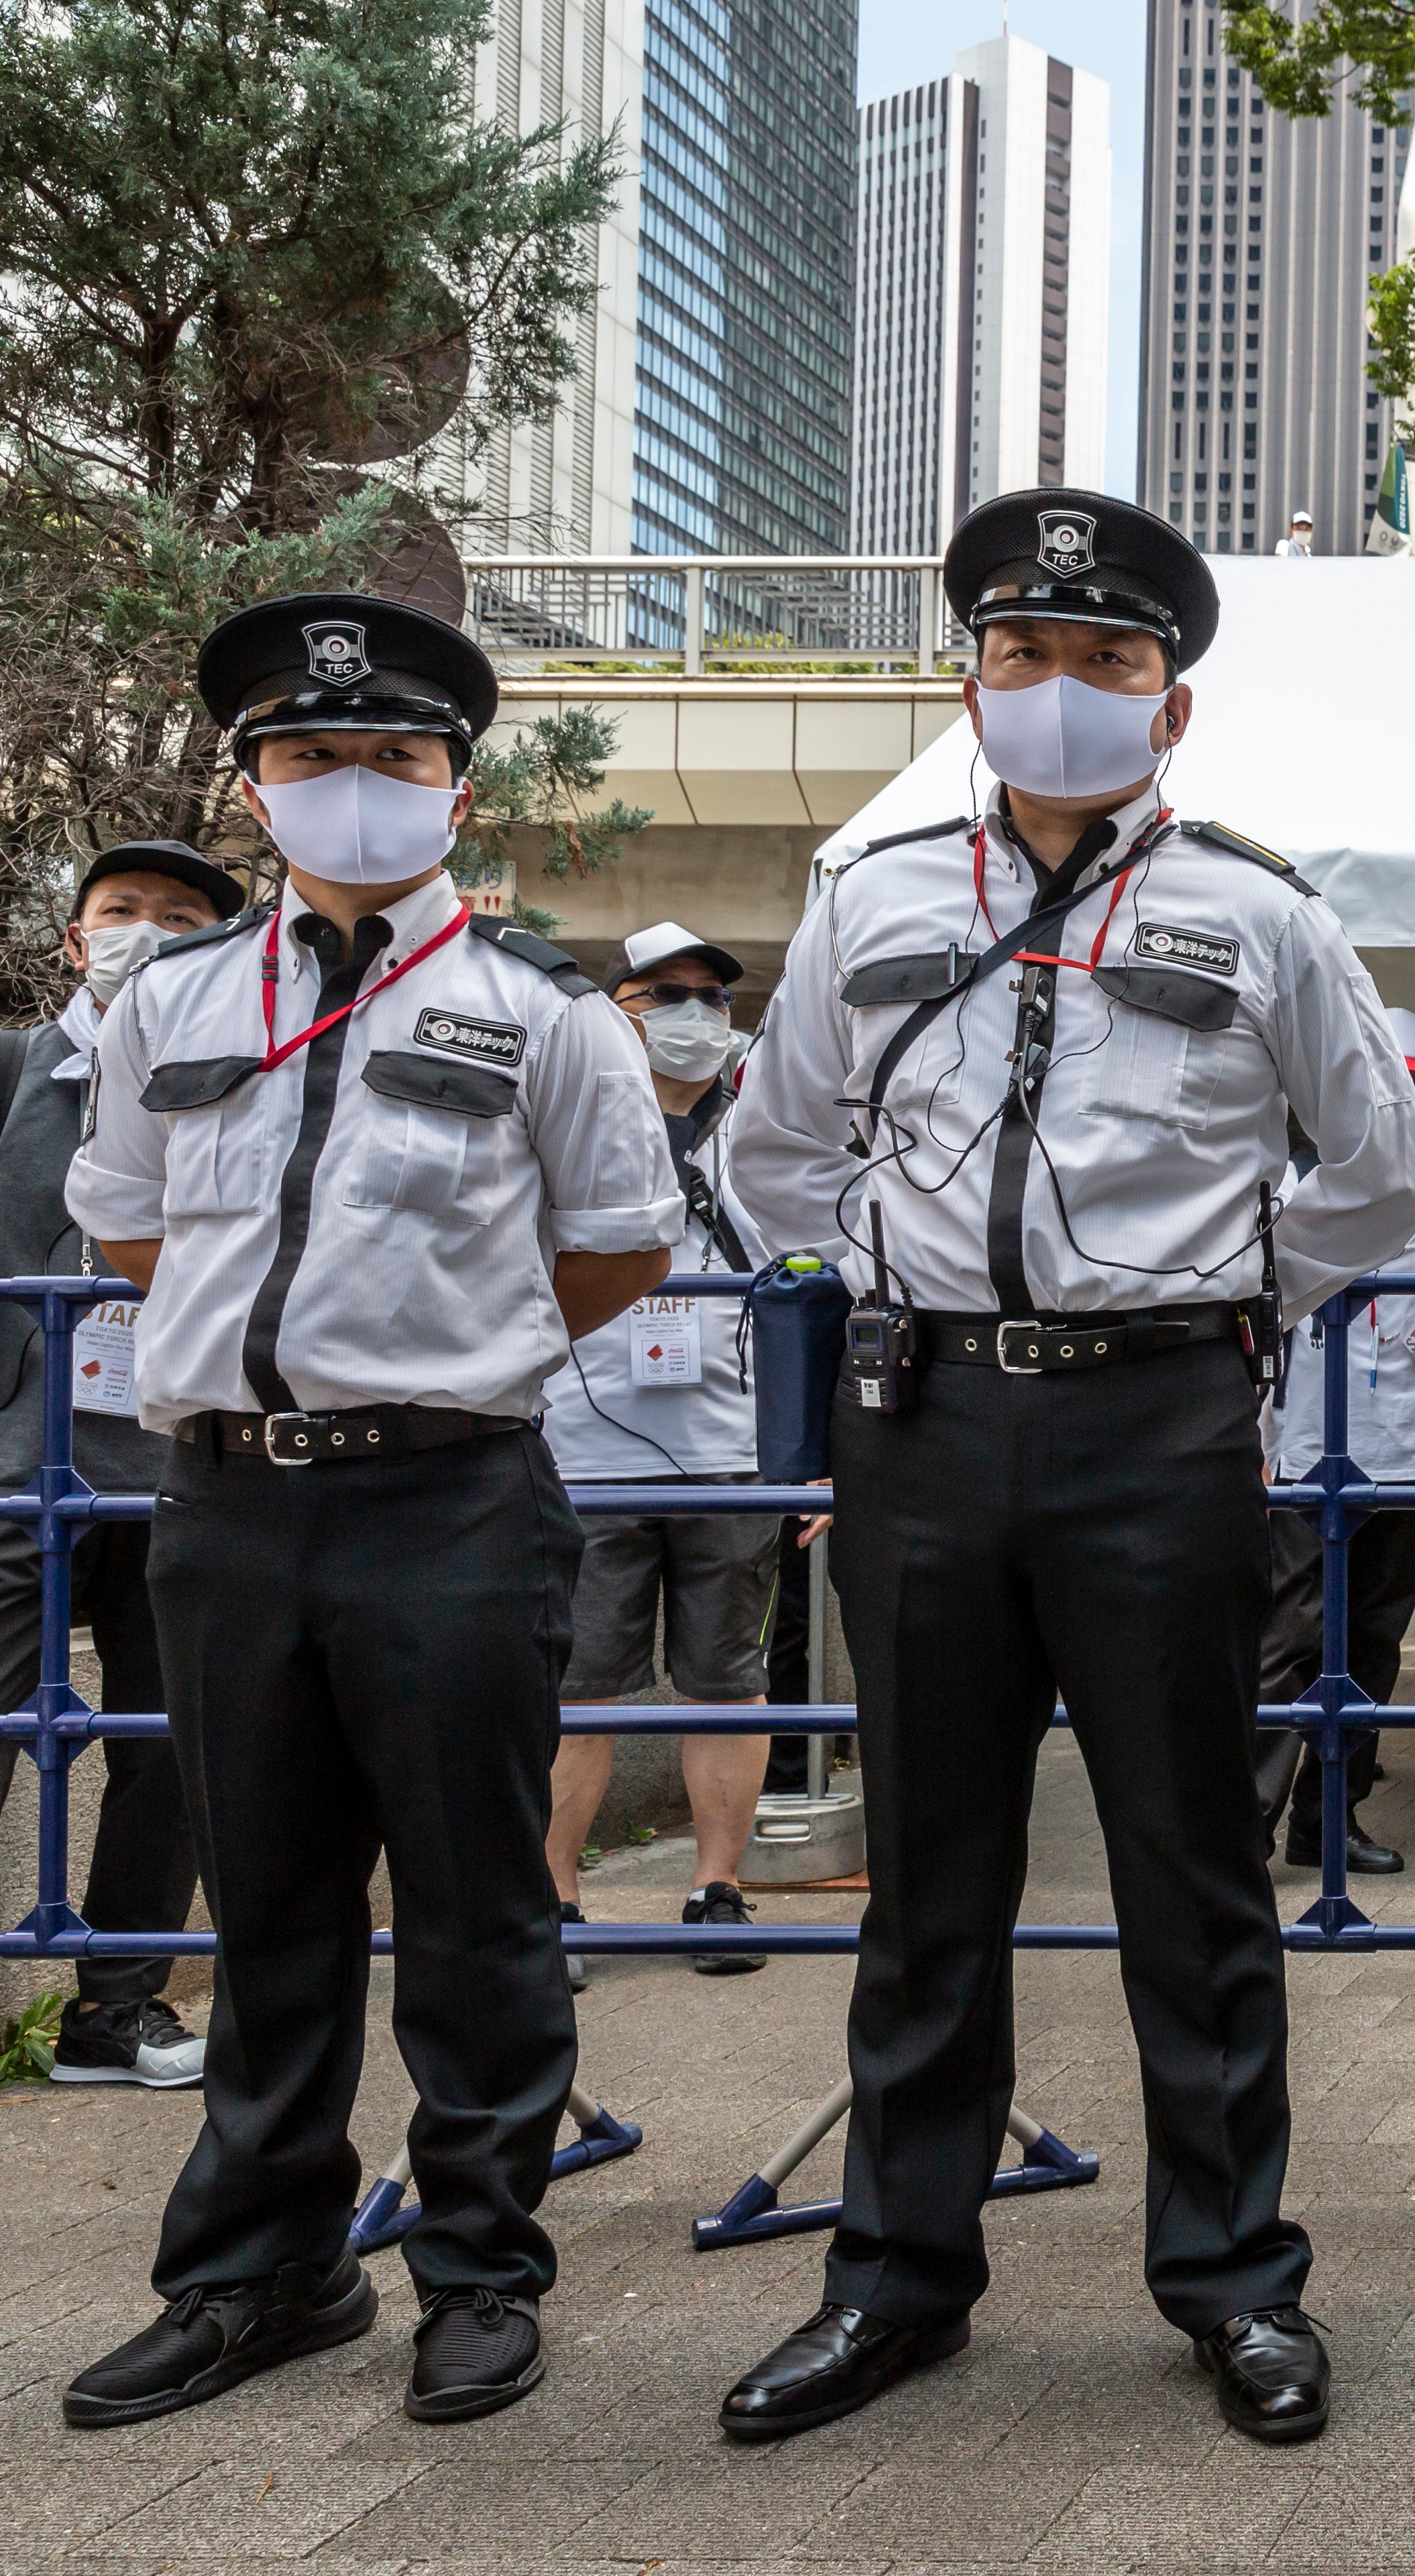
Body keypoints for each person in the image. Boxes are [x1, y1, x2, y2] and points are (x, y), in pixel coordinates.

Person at [719, 488, 1415, 2447]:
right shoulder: (869, 905)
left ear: (1168, 709)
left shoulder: (1261, 913)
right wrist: (895, 1277)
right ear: (972, 682)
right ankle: (897, 2277)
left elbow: (1376, 1178)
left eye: (1108, 663)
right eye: (1023, 658)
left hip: (1158, 1424)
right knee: (926, 1865)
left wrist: (1208, 1296)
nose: (1060, 693)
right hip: (922, 1420)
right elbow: (769, 1158)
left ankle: (1234, 2279)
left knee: (1193, 1866)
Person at [59, 594, 683, 2430]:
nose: (354, 788)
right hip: (231, 1505)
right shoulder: (168, 1002)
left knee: (481, 1906)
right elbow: (129, 1215)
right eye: (313, 756)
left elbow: (620, 1242)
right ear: (254, 785)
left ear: (454, 788)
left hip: (450, 1500)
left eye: (395, 759)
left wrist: (440, 1352)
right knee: (266, 1905)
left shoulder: (541, 1013)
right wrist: (272, 1358)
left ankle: (482, 2270)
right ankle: (261, 2270)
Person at [0, 841, 236, 2086]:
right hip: (14, 1461)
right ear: (76, 936)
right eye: (122, 910)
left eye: (178, 915)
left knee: (167, 1743)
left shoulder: (237, 1076)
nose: (146, 929)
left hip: (167, 1458)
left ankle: (117, 2008)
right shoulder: (11, 1066)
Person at [539, 924, 774, 1984]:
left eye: (712, 998)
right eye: (663, 994)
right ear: (613, 1010)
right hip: (581, 1456)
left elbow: (817, 1291)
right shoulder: (569, 1117)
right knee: (574, 1688)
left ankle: (717, 1889)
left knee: (728, 1678)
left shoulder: (761, 1134)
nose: (693, 1014)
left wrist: (809, 1457)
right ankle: (556, 1905)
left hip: (730, 1455)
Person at [1260, 1004, 1415, 1878]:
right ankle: (1244, 1826)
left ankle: (1331, 1822)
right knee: (1293, 1640)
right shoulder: (1294, 1180)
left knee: (1371, 1643)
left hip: (1401, 1446)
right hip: (1310, 1449)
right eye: (1397, 1083)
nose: (1407, 1101)